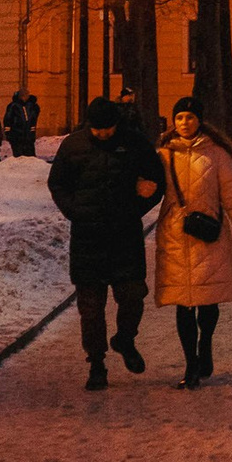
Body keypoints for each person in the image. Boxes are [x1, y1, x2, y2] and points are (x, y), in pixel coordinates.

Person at [47, 96, 165, 391]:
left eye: (108, 129)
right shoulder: (73, 146)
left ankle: (125, 339)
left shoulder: (134, 143)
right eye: (97, 130)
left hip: (125, 235)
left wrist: (138, 207)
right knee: (91, 307)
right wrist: (74, 211)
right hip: (88, 237)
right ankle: (96, 363)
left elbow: (156, 180)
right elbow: (57, 183)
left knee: (133, 295)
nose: (103, 134)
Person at [154, 97, 232, 389]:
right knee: (183, 303)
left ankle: (205, 342)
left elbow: (231, 194)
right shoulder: (163, 154)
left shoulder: (216, 154)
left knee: (207, 300)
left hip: (209, 234)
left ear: (200, 120)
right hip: (175, 234)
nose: (185, 122)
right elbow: (150, 187)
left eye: (190, 117)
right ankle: (191, 364)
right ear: (174, 121)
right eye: (180, 117)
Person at [3, 89, 40, 158]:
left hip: (28, 134)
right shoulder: (13, 106)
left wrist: (32, 132)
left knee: (30, 155)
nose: (25, 97)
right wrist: (8, 133)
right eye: (23, 95)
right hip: (16, 134)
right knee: (19, 155)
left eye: (26, 95)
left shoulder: (31, 106)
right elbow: (7, 119)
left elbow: (33, 119)